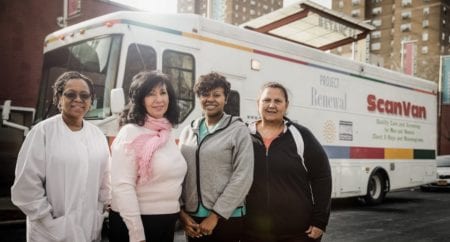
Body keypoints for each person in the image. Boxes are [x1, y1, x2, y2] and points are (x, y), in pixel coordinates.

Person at [11, 71, 111, 241]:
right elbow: (26, 186)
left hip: (89, 228)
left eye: (84, 95)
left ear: (91, 100)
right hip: (49, 232)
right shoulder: (42, 132)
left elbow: (105, 180)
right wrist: (48, 220)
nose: (78, 99)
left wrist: (101, 212)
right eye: (70, 94)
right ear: (58, 99)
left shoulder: (97, 135)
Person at [243, 82, 332, 242]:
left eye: (278, 101)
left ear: (286, 106)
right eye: (266, 100)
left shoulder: (301, 135)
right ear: (258, 103)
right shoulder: (243, 134)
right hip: (253, 233)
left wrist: (320, 221)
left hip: (298, 233)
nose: (271, 105)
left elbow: (322, 177)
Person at [109, 70, 187, 242]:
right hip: (136, 226)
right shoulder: (130, 133)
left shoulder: (166, 132)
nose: (159, 99)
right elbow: (122, 186)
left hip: (166, 223)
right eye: (151, 94)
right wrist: (137, 234)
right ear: (140, 100)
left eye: (163, 92)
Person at [178, 72, 254, 242]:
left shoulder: (238, 130)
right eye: (205, 94)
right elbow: (177, 173)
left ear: (226, 98)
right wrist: (182, 213)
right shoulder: (188, 131)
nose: (210, 99)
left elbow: (243, 176)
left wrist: (215, 215)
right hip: (192, 219)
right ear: (199, 98)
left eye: (216, 95)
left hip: (227, 218)